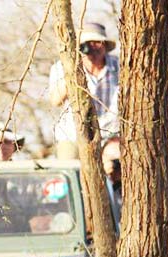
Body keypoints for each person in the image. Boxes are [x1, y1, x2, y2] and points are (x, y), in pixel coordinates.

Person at [48, 21, 119, 158]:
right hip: (72, 134)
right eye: (88, 44)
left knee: (117, 161)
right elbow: (56, 100)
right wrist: (73, 71)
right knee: (68, 167)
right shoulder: (62, 67)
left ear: (105, 45)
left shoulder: (118, 66)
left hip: (110, 134)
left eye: (97, 42)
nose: (93, 48)